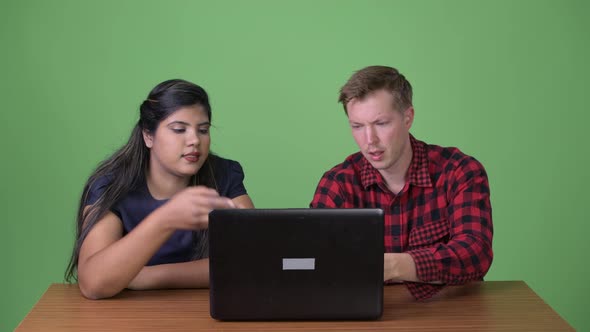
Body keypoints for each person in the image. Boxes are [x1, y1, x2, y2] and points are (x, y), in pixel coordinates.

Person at [310, 66, 493, 300]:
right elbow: (315, 263)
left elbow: (476, 254)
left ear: (408, 117)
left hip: (450, 313)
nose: (369, 140)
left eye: (381, 123)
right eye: (357, 126)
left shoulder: (460, 171)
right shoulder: (337, 184)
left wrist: (395, 265)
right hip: (365, 317)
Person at [64, 79, 254, 299]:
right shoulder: (112, 185)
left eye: (203, 130)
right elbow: (94, 283)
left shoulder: (223, 174)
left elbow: (251, 260)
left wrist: (144, 277)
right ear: (148, 135)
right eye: (179, 129)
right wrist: (167, 218)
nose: (194, 140)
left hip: (202, 313)